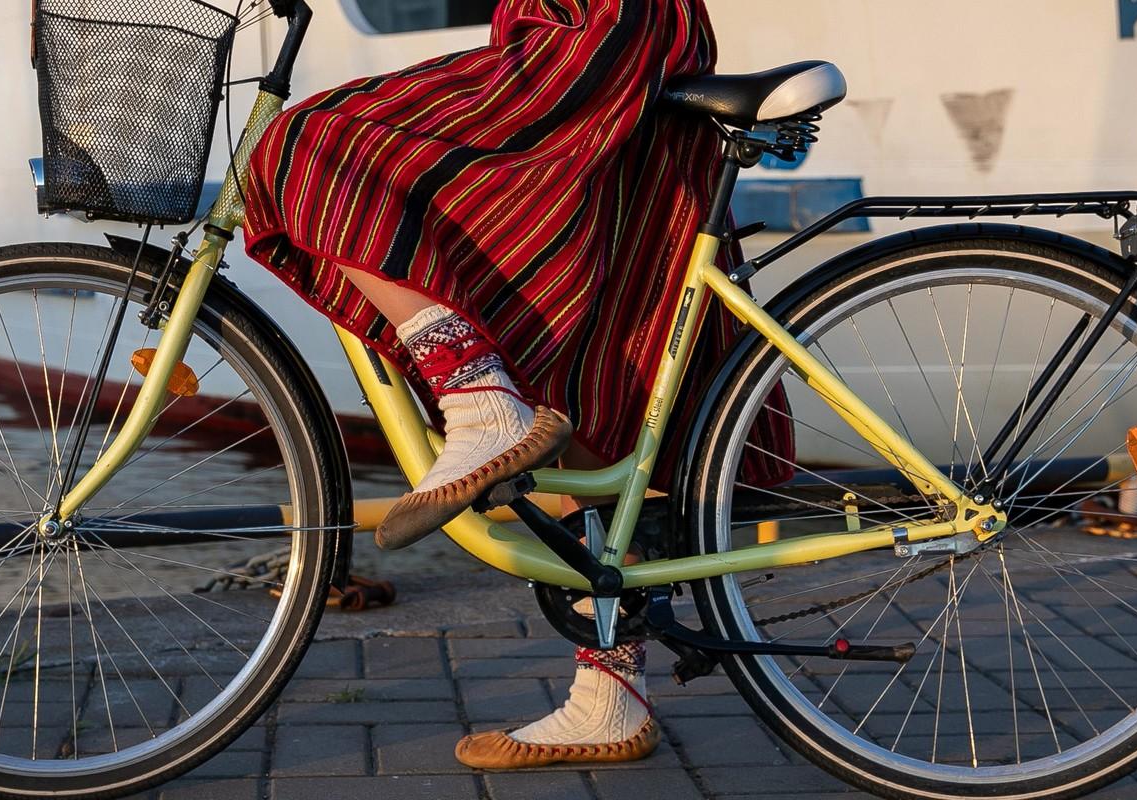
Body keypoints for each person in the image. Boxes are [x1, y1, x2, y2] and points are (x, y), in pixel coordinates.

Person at [243, 0, 785, 769]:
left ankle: (477, 397)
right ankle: (611, 696)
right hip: (610, 31)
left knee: (307, 144)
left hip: (597, 26)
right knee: (603, 358)